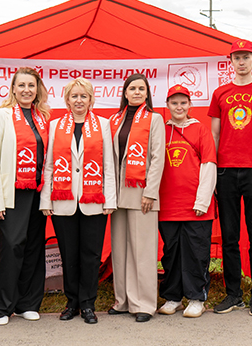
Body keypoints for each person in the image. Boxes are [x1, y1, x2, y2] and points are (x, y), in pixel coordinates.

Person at [208, 40, 252, 316]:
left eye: (246, 57)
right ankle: (233, 293)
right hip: (226, 171)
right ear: (231, 61)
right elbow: (214, 135)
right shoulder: (220, 93)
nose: (241, 62)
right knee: (229, 236)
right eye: (237, 57)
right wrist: (212, 173)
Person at [40, 78, 117, 325]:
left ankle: (88, 304)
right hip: (63, 201)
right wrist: (45, 200)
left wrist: (110, 199)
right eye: (74, 96)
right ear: (67, 100)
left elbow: (108, 165)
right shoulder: (55, 126)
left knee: (91, 255)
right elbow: (49, 166)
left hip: (94, 201)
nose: (79, 100)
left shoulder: (103, 125)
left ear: (91, 99)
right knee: (69, 255)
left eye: (84, 96)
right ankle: (71, 302)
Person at [0, 68, 51, 325]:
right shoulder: (1, 116)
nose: (26, 90)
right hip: (11, 194)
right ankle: (2, 308)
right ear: (13, 88)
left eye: (31, 85)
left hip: (37, 192)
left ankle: (28, 303)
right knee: (12, 247)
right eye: (21, 85)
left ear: (37, 89)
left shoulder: (42, 117)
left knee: (34, 247)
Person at [108, 73, 165, 322]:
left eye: (142, 89)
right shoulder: (114, 120)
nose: (137, 92)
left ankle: (144, 304)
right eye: (133, 88)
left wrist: (150, 192)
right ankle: (123, 301)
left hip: (142, 193)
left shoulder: (155, 119)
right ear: (125, 93)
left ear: (147, 93)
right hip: (118, 194)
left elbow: (158, 158)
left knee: (142, 251)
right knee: (120, 250)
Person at [157, 85, 216, 319]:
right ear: (167, 105)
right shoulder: (161, 131)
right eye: (174, 103)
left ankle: (196, 298)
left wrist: (202, 201)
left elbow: (209, 164)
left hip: (196, 206)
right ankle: (173, 297)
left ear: (190, 105)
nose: (179, 107)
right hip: (168, 206)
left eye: (183, 103)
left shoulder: (200, 130)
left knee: (196, 253)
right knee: (171, 254)